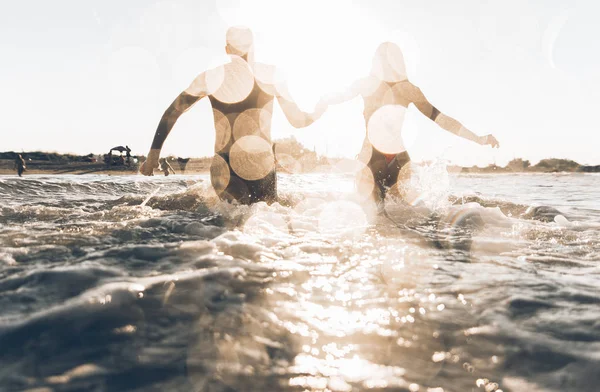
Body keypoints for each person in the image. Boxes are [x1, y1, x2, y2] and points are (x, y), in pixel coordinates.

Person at [140, 26, 325, 204]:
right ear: (252, 47)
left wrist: (153, 157)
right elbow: (298, 121)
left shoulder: (210, 77)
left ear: (227, 49)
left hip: (225, 164)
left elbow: (172, 112)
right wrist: (318, 111)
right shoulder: (271, 75)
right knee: (263, 223)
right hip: (260, 164)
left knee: (227, 221)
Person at [319, 42, 499, 207]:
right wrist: (319, 105)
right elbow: (335, 97)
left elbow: (440, 119)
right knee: (395, 215)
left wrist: (478, 138)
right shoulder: (387, 87)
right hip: (391, 159)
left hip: (385, 159)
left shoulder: (396, 88)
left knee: (378, 216)